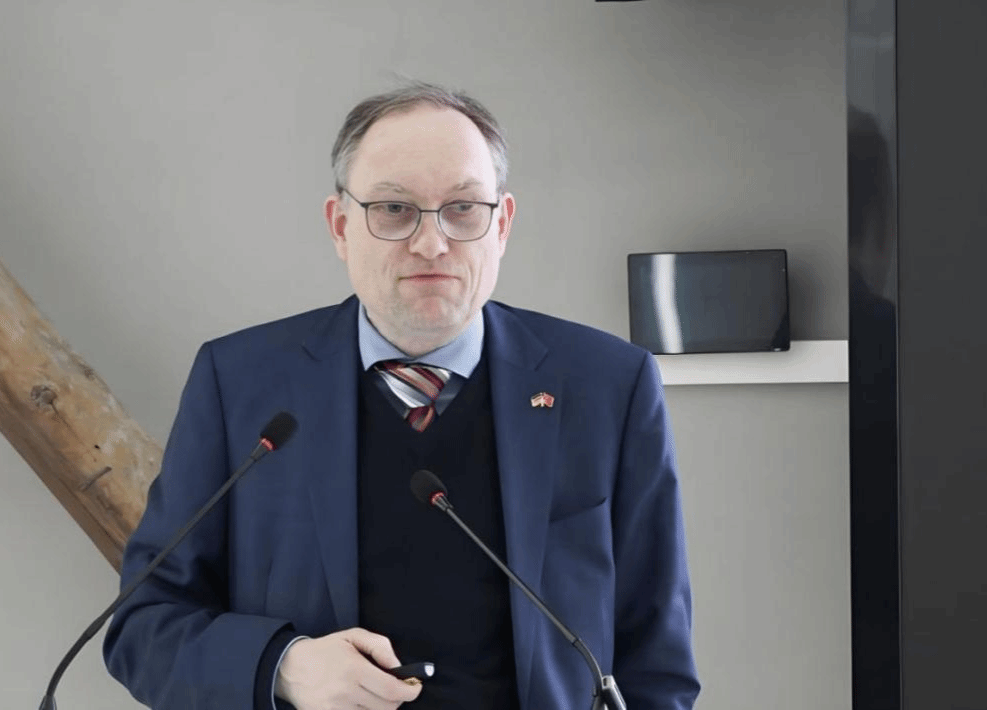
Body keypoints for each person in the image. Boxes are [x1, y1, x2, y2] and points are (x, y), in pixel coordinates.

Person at [102, 81, 701, 710]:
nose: (431, 243)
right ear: (341, 226)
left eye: (462, 208)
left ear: (502, 225)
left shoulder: (608, 385)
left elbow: (657, 662)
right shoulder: (239, 383)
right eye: (394, 208)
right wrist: (283, 666)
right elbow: (144, 626)